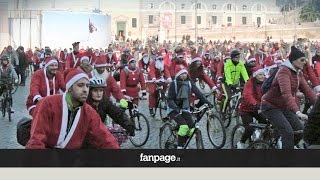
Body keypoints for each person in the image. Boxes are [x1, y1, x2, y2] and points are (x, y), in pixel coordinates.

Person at [26, 69, 120, 149]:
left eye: (87, 86)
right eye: (80, 85)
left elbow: (104, 137)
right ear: (69, 88)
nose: (85, 90)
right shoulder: (48, 104)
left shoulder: (88, 112)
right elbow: (36, 140)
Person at [261, 46, 317, 149]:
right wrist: (298, 112)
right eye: (302, 60)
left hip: (284, 107)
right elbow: (286, 94)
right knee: (288, 132)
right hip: (270, 106)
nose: (305, 62)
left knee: (300, 131)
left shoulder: (297, 73)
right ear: (294, 60)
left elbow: (308, 91)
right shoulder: (283, 71)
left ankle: (286, 146)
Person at [167, 65, 213, 149]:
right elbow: (169, 99)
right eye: (182, 74)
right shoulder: (174, 84)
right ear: (178, 75)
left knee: (191, 129)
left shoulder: (189, 82)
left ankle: (183, 142)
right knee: (184, 127)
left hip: (185, 108)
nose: (184, 75)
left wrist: (207, 102)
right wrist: (176, 108)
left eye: (185, 73)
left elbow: (198, 93)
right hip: (173, 109)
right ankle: (180, 147)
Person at [85, 77, 135, 146]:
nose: (99, 93)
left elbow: (117, 113)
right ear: (90, 92)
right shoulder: (85, 105)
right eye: (95, 91)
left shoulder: (105, 102)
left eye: (101, 90)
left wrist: (128, 124)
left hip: (100, 133)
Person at [237, 66, 268, 149]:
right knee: (250, 128)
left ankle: (262, 142)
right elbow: (248, 95)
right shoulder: (249, 83)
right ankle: (241, 142)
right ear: (255, 75)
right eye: (260, 74)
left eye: (263, 74)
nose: (262, 76)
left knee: (268, 124)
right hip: (247, 109)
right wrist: (256, 104)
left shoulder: (265, 82)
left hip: (258, 108)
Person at [221, 49, 249, 115]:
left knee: (239, 95)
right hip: (226, 83)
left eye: (239, 57)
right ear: (232, 57)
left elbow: (245, 74)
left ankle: (236, 108)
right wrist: (230, 84)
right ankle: (223, 111)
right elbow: (227, 75)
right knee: (228, 97)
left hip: (236, 83)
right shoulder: (228, 64)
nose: (238, 58)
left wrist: (248, 82)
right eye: (237, 57)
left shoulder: (240, 64)